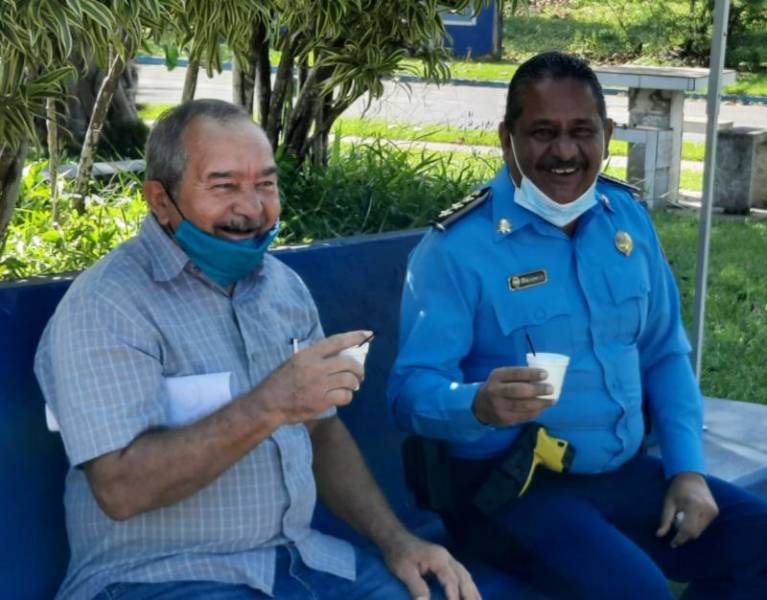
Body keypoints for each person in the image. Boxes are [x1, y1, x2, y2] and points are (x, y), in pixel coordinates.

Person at [35, 99, 480, 600]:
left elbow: (321, 432)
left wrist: (398, 541)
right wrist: (268, 405)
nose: (252, 208)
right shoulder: (107, 306)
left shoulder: (281, 288)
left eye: (265, 183)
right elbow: (120, 489)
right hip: (162, 578)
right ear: (160, 200)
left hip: (299, 563)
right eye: (224, 186)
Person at [388, 52, 767, 599]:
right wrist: (476, 404)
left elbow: (664, 352)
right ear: (507, 138)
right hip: (509, 487)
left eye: (581, 131)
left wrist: (687, 469)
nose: (564, 152)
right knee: (636, 592)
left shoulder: (626, 218)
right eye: (542, 132)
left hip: (617, 472)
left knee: (758, 543)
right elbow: (408, 392)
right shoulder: (457, 248)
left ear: (607, 133)